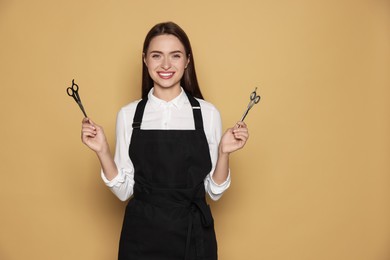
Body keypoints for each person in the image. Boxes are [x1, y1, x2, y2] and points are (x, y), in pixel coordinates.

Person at [81, 21, 249, 260]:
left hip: (194, 237)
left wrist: (224, 153)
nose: (166, 65)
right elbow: (123, 191)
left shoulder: (207, 113)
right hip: (141, 238)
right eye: (157, 55)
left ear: (187, 60)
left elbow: (214, 192)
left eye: (176, 56)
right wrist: (103, 152)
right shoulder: (129, 115)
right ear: (145, 60)